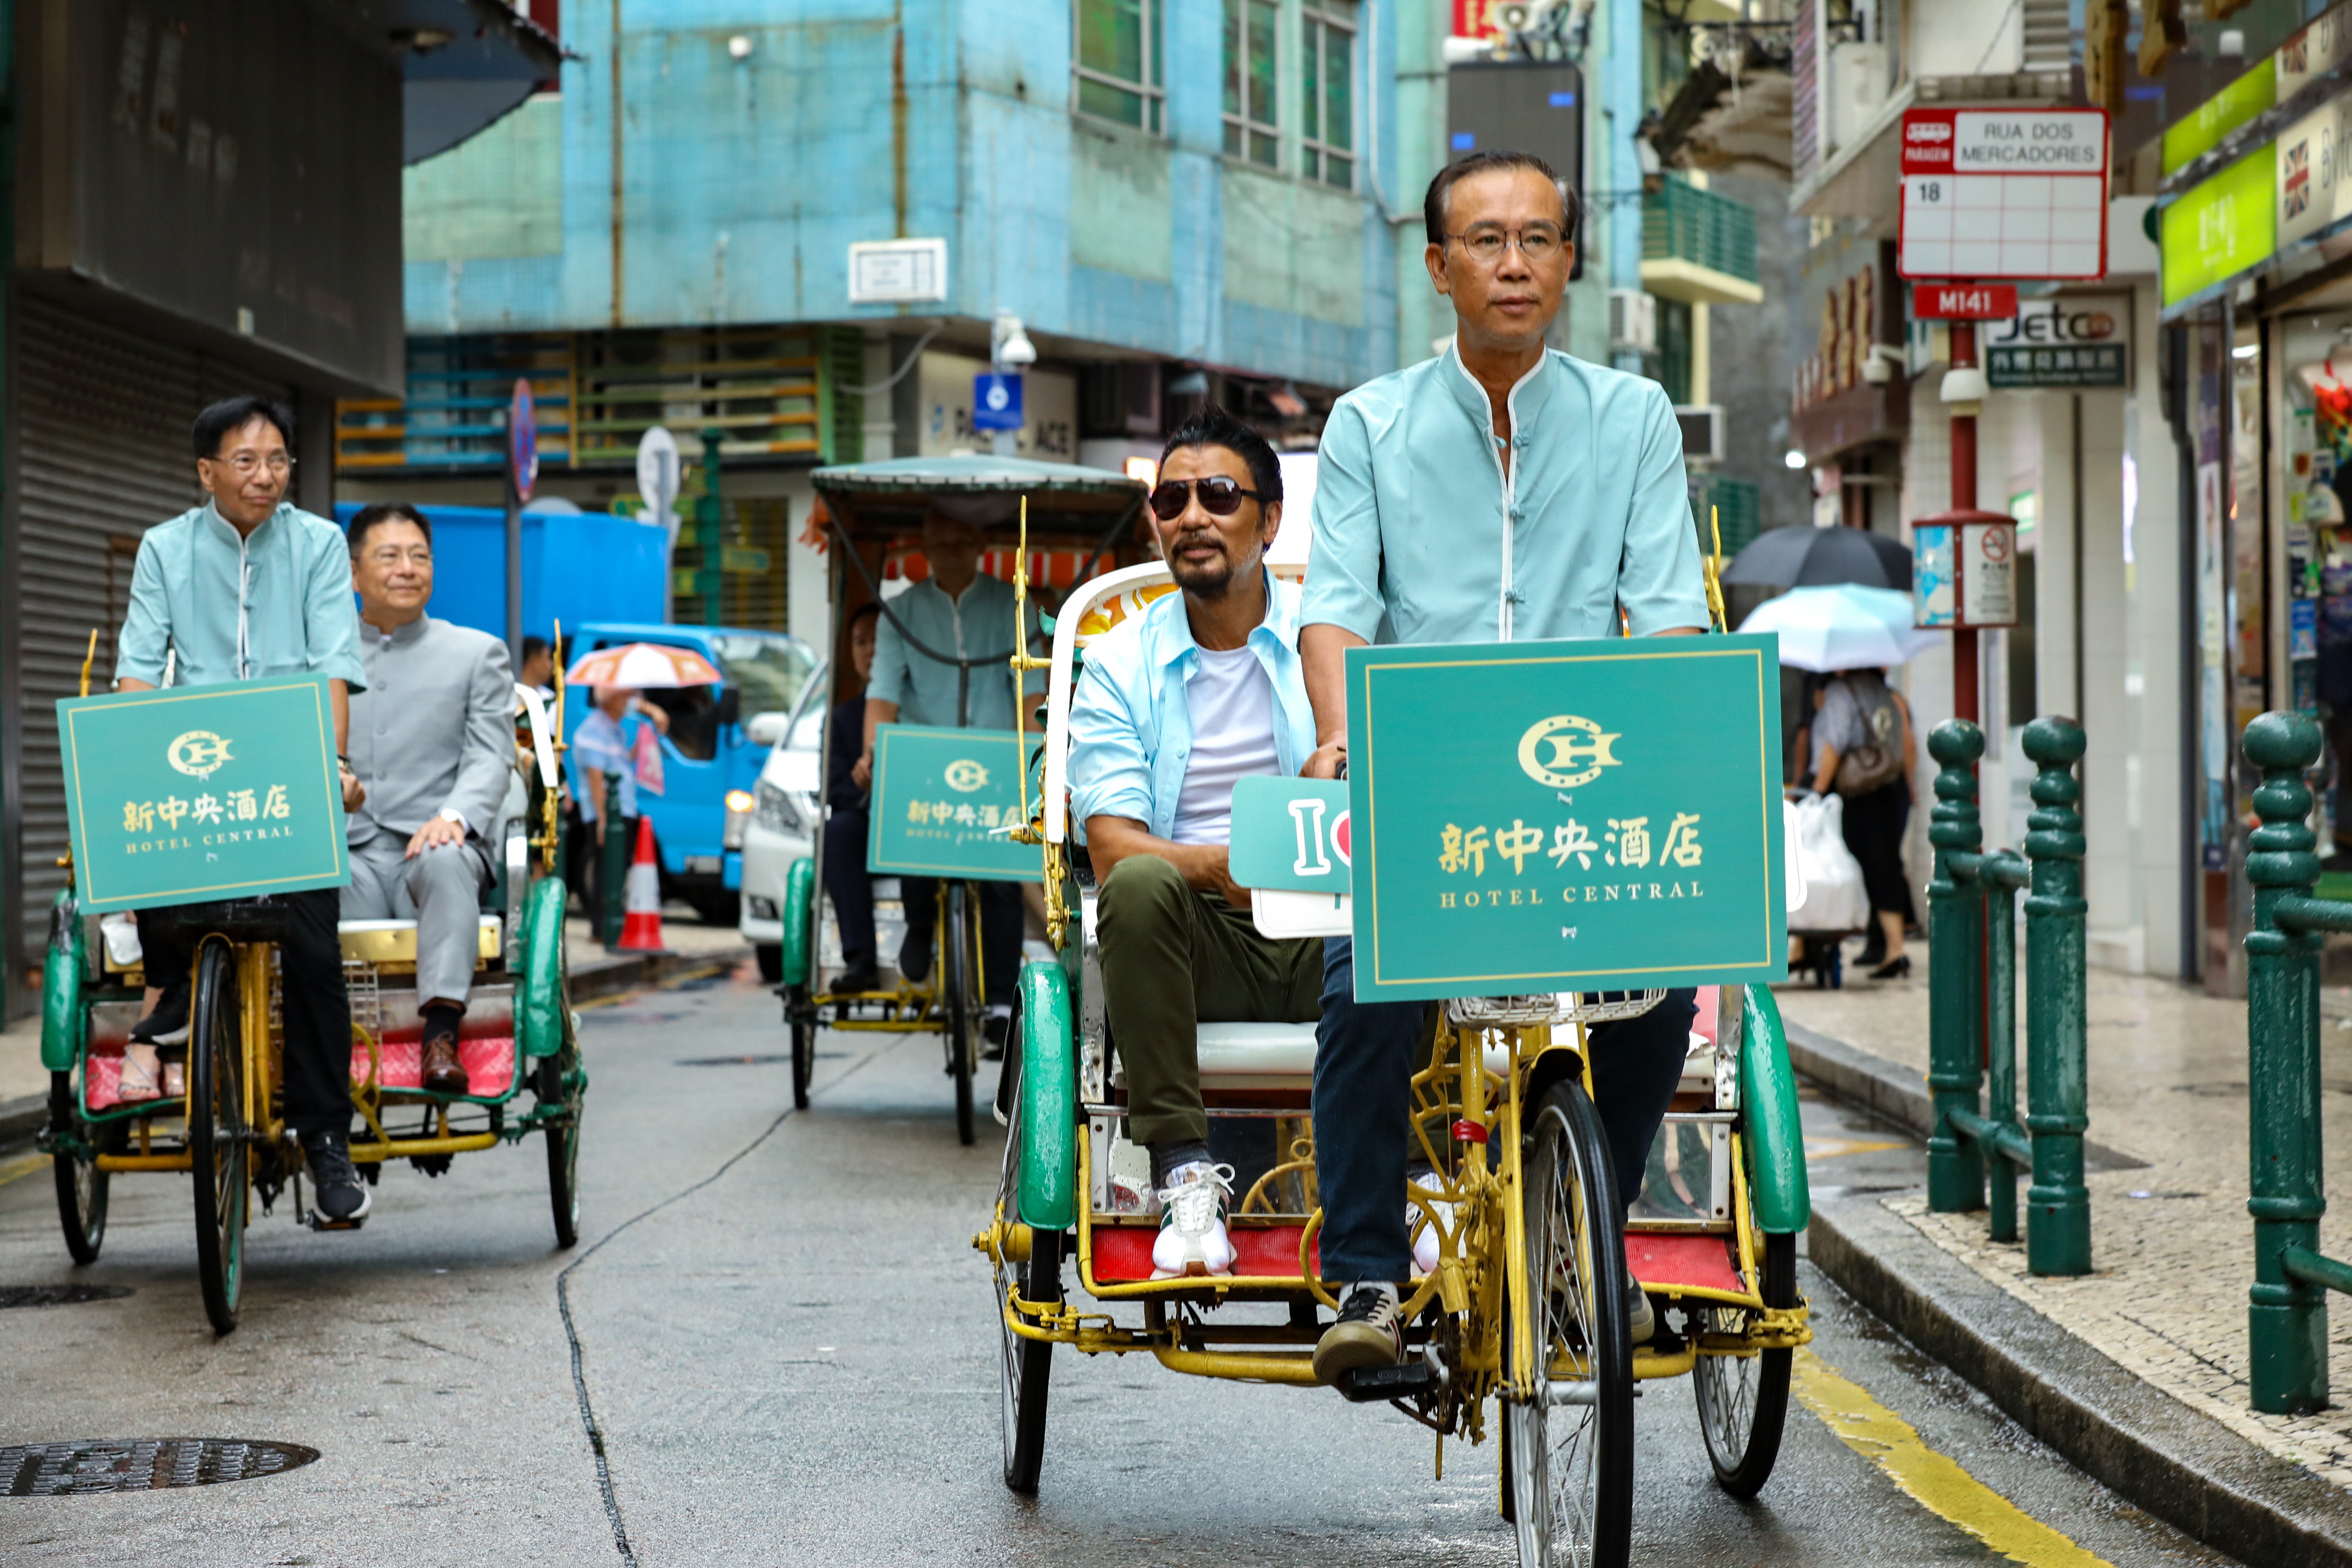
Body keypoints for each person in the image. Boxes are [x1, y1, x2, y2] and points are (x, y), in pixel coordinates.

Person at [1298, 150, 1711, 1383]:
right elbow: (1334, 609)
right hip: (1421, 788)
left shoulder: (1631, 416)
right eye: (1485, 240)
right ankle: (1366, 1271)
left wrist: (1677, 744)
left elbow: (1666, 616)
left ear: (1568, 260)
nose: (1513, 261)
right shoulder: (1366, 423)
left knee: (1664, 973)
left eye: (1536, 238)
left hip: (1577, 796)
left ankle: (1588, 1232)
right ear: (1439, 266)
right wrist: (1334, 732)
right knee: (1364, 981)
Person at [1069, 405, 1322, 1278]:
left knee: (1414, 890)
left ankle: (1406, 1175)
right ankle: (1184, 1176)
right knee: (1133, 884)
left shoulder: (1324, 643)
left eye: (1218, 494)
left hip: (1321, 927)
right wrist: (1219, 865)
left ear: (1269, 519)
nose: (1191, 516)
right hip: (1194, 934)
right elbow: (1108, 843)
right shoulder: (1117, 659)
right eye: (1170, 499)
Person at [114, 396, 375, 1225]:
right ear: (206, 472)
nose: (265, 476)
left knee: (312, 946)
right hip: (191, 756)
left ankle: (327, 1140)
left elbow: (334, 660)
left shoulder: (320, 544)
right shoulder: (164, 548)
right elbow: (136, 668)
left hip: (287, 758)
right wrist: (128, 759)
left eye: (277, 461)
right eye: (246, 461)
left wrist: (332, 764)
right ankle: (178, 990)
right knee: (143, 844)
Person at [341, 504, 518, 1095]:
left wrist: (454, 817)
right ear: (353, 570)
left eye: (419, 556)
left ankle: (441, 1033)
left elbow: (491, 755)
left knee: (446, 861)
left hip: (436, 848)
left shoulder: (476, 652)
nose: (407, 569)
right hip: (353, 846)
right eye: (389, 556)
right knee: (309, 879)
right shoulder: (323, 661)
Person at [855, 502, 1041, 1036]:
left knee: (1003, 871)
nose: (951, 553)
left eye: (961, 542)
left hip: (994, 758)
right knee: (911, 822)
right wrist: (873, 753)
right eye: (940, 544)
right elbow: (883, 694)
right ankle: (919, 925)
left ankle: (1003, 1003)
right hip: (923, 753)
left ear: (981, 547)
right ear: (925, 550)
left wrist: (1037, 760)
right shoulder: (900, 612)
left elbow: (1030, 694)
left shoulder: (1014, 605)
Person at [1807, 667, 1917, 978]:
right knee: (1887, 865)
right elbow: (1906, 741)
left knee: (1860, 865)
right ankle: (1891, 946)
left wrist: (1816, 790)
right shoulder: (1885, 692)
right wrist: (1910, 785)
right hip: (1890, 787)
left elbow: (1834, 743)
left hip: (1860, 791)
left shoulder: (1842, 692)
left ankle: (1893, 949)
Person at [824, 603, 885, 992]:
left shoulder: (917, 708)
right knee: (839, 830)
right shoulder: (843, 718)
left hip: (914, 818)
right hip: (866, 826)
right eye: (861, 642)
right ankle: (860, 958)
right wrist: (866, 787)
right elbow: (834, 785)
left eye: (878, 642)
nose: (869, 651)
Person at [572, 684, 671, 923]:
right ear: (610, 698)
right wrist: (603, 819)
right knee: (606, 870)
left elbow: (621, 762)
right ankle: (603, 927)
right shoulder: (593, 730)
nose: (630, 701)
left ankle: (611, 923)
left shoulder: (614, 730)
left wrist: (641, 744)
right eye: (625, 695)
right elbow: (596, 777)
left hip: (623, 808)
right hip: (607, 812)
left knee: (616, 868)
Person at [518, 636, 556, 701]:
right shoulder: (507, 697)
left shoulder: (550, 698)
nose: (552, 665)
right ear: (534, 660)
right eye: (548, 658)